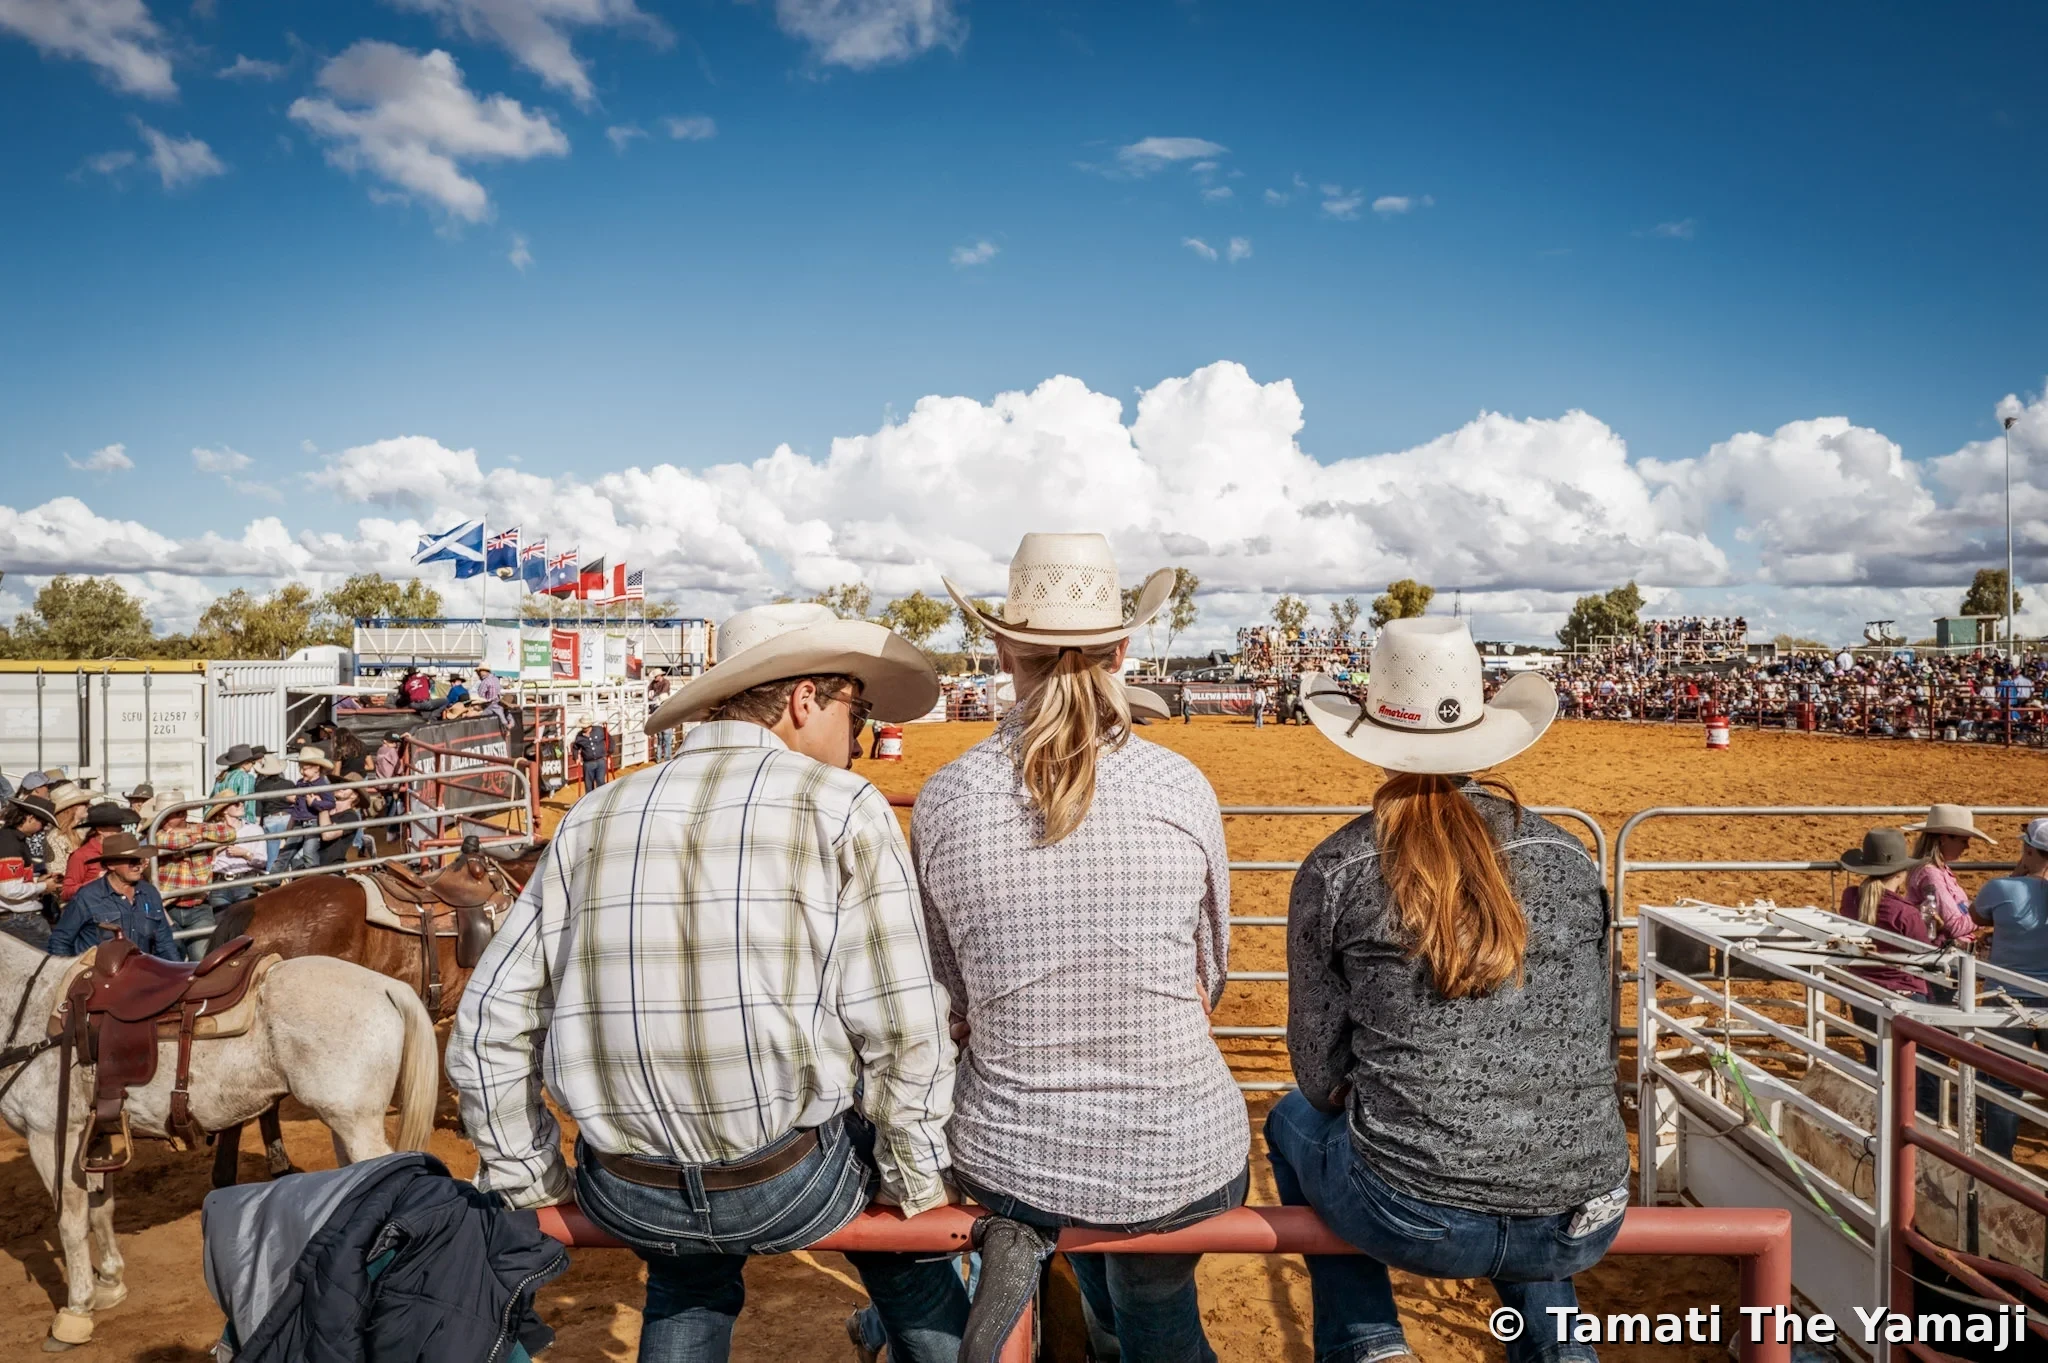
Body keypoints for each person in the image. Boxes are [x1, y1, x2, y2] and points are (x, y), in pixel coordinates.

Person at [449, 601, 961, 1363]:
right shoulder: (843, 805)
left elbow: (491, 1018)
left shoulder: (595, 811)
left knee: (684, 1282)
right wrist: (912, 1181)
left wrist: (529, 1178)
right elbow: (902, 1022)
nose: (859, 736)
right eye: (857, 709)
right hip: (784, 1180)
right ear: (805, 698)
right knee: (908, 1257)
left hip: (629, 1187)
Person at [1272, 617, 1629, 1363]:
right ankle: (1562, 1351)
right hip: (1584, 1209)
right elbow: (1597, 1033)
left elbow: (1319, 1075)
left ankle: (1368, 1340)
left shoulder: (1338, 868)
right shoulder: (1567, 856)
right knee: (1531, 1157)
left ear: (1374, 735)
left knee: (1289, 1121)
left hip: (1411, 1210)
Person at [930, 536, 1247, 1362]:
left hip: (1012, 1152)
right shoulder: (1179, 786)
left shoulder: (947, 797)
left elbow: (951, 994)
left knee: (1094, 1266)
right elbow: (1210, 970)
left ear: (1004, 651)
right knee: (1157, 1308)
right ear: (1121, 651)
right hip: (1178, 1149)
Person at [1834, 827, 1955, 1115]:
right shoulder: (1906, 913)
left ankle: (1879, 1119)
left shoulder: (1852, 898)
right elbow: (1925, 955)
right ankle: (1921, 1121)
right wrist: (1941, 933)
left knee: (1878, 1063)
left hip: (1863, 992)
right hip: (1904, 997)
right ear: (1901, 872)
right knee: (1923, 1066)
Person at [1971, 818, 2048, 1158]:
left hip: (2006, 999)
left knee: (2003, 1085)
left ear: (2028, 850)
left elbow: (1977, 916)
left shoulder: (2001, 889)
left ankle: (1996, 1165)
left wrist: (2019, 872)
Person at [47, 831, 180, 961]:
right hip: (99, 973)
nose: (138, 867)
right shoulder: (87, 896)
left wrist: (179, 971)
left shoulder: (149, 893)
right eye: (131, 862)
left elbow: (165, 942)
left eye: (140, 861)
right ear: (111, 865)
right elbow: (60, 941)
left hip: (140, 970)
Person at [154, 793, 239, 960]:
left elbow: (229, 833)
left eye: (167, 816)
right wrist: (201, 836)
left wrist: (188, 831)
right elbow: (168, 841)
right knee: (170, 959)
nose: (162, 821)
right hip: (168, 907)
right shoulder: (157, 833)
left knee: (202, 958)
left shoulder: (195, 828)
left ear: (182, 814)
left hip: (198, 906)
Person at [1903, 805, 1990, 943]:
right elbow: (1954, 926)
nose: (1967, 847)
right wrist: (1984, 916)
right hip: (1945, 950)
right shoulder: (1931, 874)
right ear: (1943, 839)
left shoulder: (1937, 870)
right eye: (1963, 841)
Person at [0, 793, 61, 946]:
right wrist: (44, 886)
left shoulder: (10, 839)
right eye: (43, 822)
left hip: (16, 918)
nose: (42, 828)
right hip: (20, 919)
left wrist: (37, 881)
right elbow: (9, 890)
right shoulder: (11, 843)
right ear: (30, 818)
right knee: (51, 956)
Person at [59, 802, 140, 905]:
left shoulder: (123, 851)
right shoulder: (81, 855)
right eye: (116, 825)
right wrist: (96, 882)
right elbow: (66, 893)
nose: (121, 829)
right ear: (100, 829)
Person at [277, 748, 341, 872]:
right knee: (285, 853)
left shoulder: (322, 785)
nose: (301, 771)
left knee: (309, 852)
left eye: (305, 769)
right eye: (300, 768)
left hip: (313, 822)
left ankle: (313, 879)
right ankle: (272, 880)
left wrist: (314, 803)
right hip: (298, 822)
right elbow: (298, 805)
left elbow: (331, 803)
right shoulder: (300, 783)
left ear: (316, 768)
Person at [570, 715, 609, 795]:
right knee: (589, 785)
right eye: (582, 727)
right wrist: (576, 757)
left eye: (585, 727)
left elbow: (609, 739)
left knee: (600, 781)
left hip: (600, 761)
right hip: (588, 763)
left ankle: (602, 798)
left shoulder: (599, 730)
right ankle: (591, 801)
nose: (583, 728)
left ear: (589, 725)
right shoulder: (579, 736)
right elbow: (575, 748)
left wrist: (609, 752)